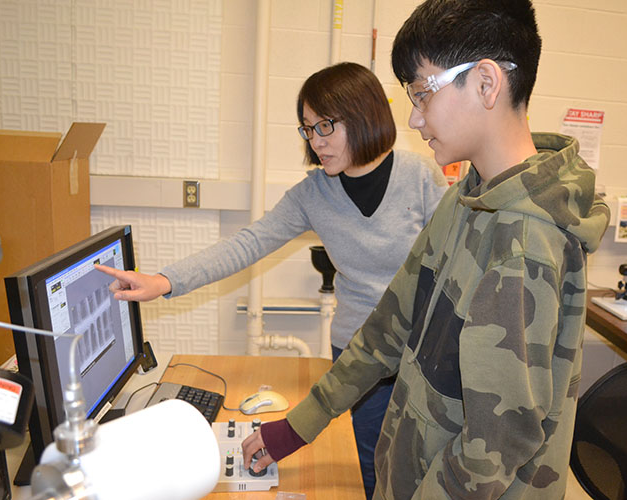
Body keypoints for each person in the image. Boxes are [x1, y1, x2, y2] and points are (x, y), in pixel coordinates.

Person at [242, 0, 611, 499]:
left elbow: (493, 449)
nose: (414, 119)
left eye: (422, 93)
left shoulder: (523, 247)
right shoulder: (468, 198)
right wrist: (299, 425)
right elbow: (389, 325)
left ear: (485, 83)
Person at [95, 62, 448, 499]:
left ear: (363, 116)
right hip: (358, 353)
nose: (315, 142)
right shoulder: (314, 194)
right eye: (307, 130)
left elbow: (452, 265)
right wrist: (165, 281)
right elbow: (247, 243)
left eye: (325, 126)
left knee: (420, 463)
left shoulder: (420, 177)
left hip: (419, 347)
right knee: (370, 466)